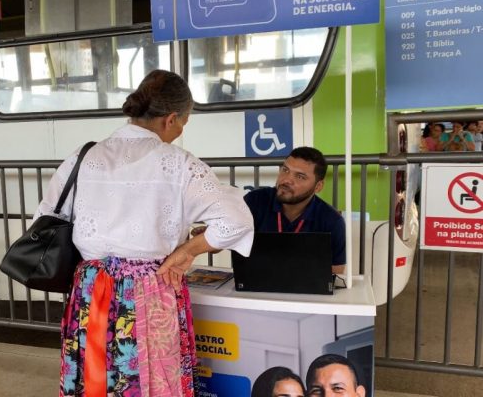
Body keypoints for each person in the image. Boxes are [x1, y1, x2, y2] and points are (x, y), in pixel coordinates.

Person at [34, 69, 254, 397]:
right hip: (151, 287)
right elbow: (236, 220)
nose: (180, 131)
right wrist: (189, 250)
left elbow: (47, 216)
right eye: (184, 123)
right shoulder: (180, 163)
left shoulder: (84, 156)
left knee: (95, 375)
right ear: (171, 119)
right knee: (152, 375)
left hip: (91, 288)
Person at [243, 147, 345, 275]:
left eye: (300, 176)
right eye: (285, 170)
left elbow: (336, 274)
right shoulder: (254, 201)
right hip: (254, 287)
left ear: (318, 186)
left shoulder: (332, 221)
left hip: (307, 293)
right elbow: (218, 245)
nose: (286, 180)